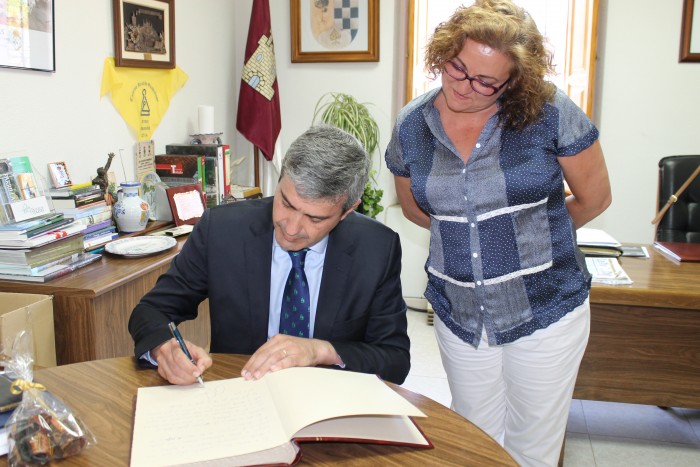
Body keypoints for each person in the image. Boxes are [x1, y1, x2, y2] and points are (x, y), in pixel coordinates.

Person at [385, 1, 611, 466]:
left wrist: (528, 237)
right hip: (460, 315)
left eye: (485, 81)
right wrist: (472, 236)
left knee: (532, 446)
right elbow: (414, 209)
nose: (463, 87)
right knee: (475, 441)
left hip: (545, 309)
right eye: (457, 67)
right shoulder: (413, 124)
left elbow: (594, 198)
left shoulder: (548, 114)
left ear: (514, 82)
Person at [129, 125, 410, 386]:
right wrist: (164, 348)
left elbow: (395, 359)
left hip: (330, 405)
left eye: (315, 218)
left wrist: (322, 351)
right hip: (243, 396)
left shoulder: (375, 249)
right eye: (286, 203)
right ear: (280, 179)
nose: (291, 227)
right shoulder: (222, 231)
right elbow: (152, 311)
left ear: (347, 211)